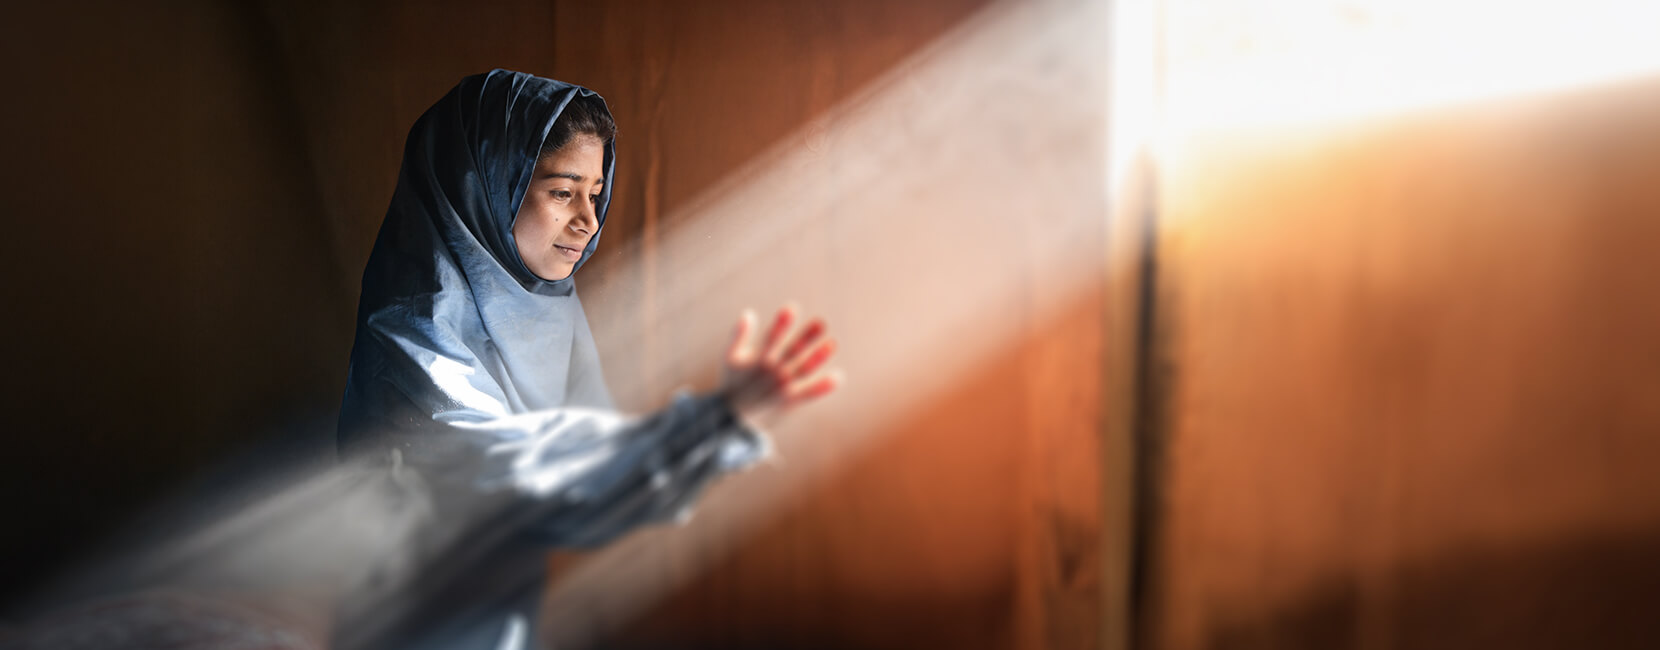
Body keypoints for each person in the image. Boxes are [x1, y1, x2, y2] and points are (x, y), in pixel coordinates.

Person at [334, 69, 839, 650]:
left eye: (595, 193)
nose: (588, 221)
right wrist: (711, 427)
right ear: (484, 186)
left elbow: (597, 453)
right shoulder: (414, 328)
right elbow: (518, 474)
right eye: (561, 190)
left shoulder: (546, 304)